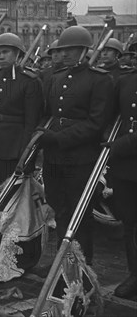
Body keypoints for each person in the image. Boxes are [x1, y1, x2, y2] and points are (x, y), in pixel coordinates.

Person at [38, 25, 114, 265]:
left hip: (80, 156)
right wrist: (43, 134)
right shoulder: (56, 78)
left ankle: (80, 268)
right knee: (59, 209)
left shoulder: (100, 80)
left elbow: (96, 122)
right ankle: (63, 263)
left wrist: (60, 138)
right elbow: (47, 114)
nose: (66, 54)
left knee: (79, 214)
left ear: (84, 50)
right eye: (63, 49)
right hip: (54, 157)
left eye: (72, 49)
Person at [0, 33, 43, 184]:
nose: (1, 57)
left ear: (18, 54)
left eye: (5, 52)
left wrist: (25, 149)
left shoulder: (29, 81)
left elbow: (32, 120)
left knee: (13, 187)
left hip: (15, 142)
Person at [107, 66, 137, 298]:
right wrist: (108, 140)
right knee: (130, 223)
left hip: (126, 151)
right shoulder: (126, 81)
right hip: (127, 167)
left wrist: (119, 145)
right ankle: (135, 274)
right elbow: (110, 115)